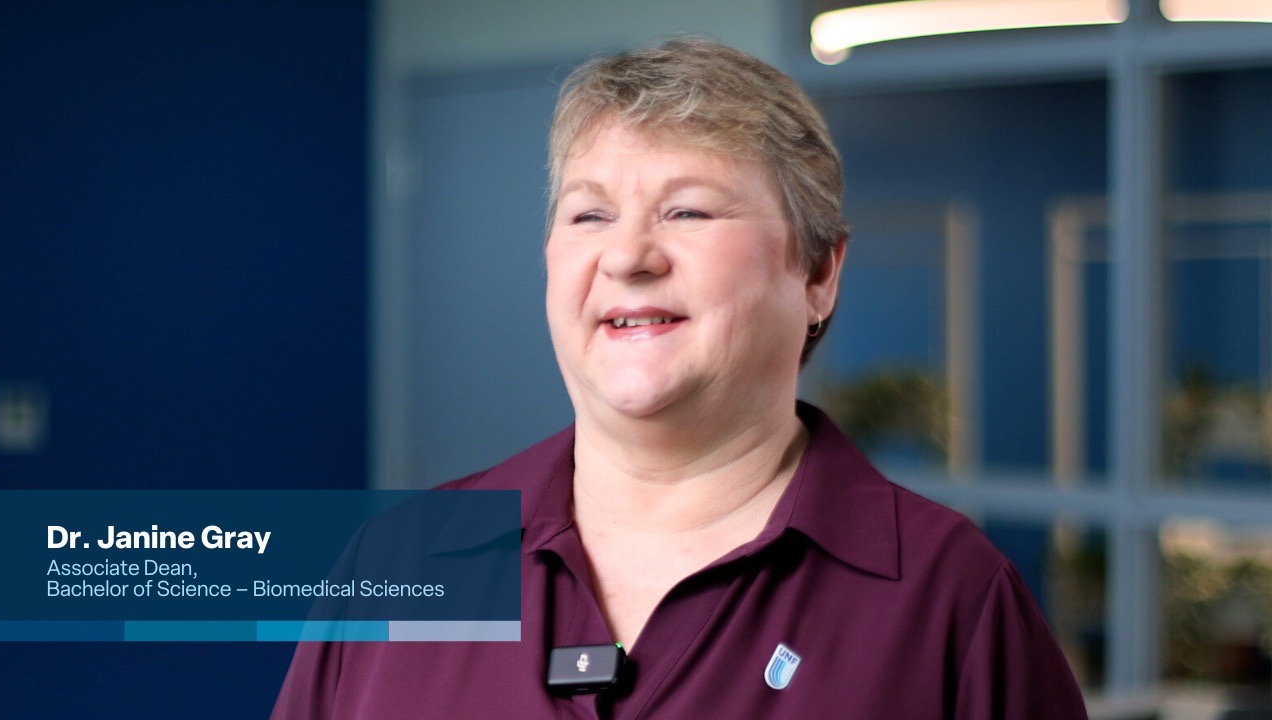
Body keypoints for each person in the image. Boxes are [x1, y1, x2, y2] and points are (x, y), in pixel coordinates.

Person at [272, 37, 1089, 719]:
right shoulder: (401, 565)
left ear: (818, 273)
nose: (628, 257)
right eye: (590, 214)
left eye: (688, 210)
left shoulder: (951, 604)